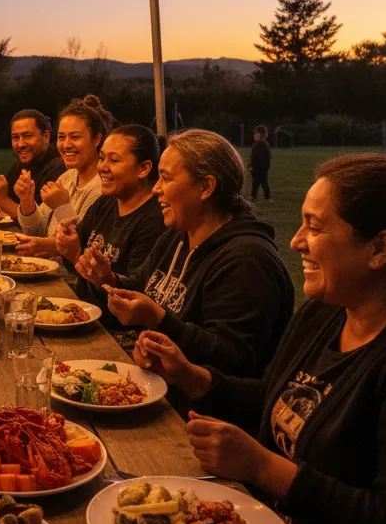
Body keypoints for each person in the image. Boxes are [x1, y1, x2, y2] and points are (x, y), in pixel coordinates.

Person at [132, 154, 386, 524]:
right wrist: (195, 378)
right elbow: (272, 397)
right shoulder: (324, 314)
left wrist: (263, 468)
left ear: (379, 248)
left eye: (316, 227)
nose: (296, 241)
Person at [104, 128, 293, 383]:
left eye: (166, 178)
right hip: (153, 384)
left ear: (206, 187)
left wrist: (159, 319)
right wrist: (106, 279)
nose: (156, 189)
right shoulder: (178, 235)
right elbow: (141, 285)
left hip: (200, 415)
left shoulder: (247, 260)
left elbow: (235, 359)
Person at [56, 125, 167, 348]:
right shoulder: (106, 203)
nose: (102, 168)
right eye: (102, 158)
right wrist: (67, 242)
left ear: (143, 168)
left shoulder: (155, 221)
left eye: (114, 161)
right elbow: (76, 265)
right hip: (81, 317)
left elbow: (134, 302)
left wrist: (76, 255)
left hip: (115, 338)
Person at [14, 95, 110, 259]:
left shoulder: (103, 186)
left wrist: (62, 207)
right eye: (61, 137)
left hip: (72, 280)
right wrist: (27, 202)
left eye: (75, 137)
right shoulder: (66, 178)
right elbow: (38, 231)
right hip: (48, 270)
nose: (66, 145)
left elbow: (86, 245)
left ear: (96, 139)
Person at [0, 109, 65, 222]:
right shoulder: (20, 165)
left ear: (46, 137)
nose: (21, 144)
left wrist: (3, 200)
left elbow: (39, 223)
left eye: (27, 136)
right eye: (15, 138)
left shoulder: (57, 167)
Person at [250, 124, 273, 200]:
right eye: (255, 134)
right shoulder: (255, 145)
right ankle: (253, 196)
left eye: (257, 134)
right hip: (256, 168)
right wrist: (251, 165)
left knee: (264, 183)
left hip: (262, 169)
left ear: (262, 136)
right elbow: (254, 157)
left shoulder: (264, 146)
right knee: (255, 183)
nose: (255, 135)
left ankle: (267, 197)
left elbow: (266, 158)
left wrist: (264, 167)